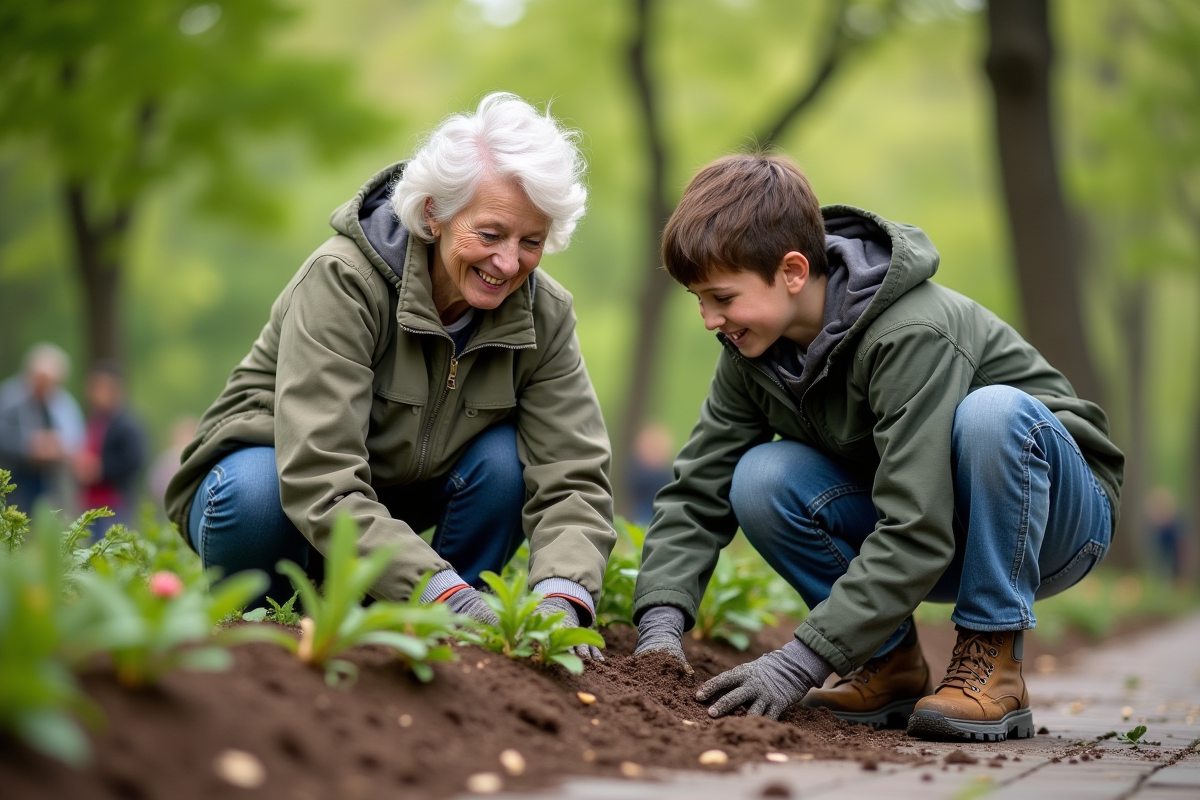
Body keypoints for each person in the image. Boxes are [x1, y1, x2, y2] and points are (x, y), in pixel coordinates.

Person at [631, 154, 1123, 741]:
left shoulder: (910, 332)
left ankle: (994, 660)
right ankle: (889, 663)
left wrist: (800, 662)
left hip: (1056, 519)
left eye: (722, 297)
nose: (710, 319)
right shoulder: (752, 352)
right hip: (941, 524)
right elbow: (698, 489)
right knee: (760, 477)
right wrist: (659, 627)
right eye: (699, 300)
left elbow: (916, 526)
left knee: (992, 414)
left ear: (791, 271)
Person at [165, 94, 614, 659]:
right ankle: (271, 631)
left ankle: (457, 641)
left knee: (505, 461)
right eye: (491, 235)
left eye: (531, 243)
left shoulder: (544, 315)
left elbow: (572, 475)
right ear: (433, 213)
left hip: (396, 503)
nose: (508, 264)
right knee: (254, 490)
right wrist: (436, 588)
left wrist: (560, 598)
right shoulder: (343, 281)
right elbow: (319, 474)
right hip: (285, 486)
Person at [0, 343, 85, 513]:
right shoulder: (9, 399)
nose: (46, 387)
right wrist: (29, 446)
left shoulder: (63, 403)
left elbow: (77, 437)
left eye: (52, 383)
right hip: (14, 477)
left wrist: (57, 447)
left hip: (50, 479)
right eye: (42, 380)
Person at [73, 361, 147, 527]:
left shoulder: (127, 423)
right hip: (90, 503)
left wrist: (101, 469)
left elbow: (135, 460)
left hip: (114, 504)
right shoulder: (95, 420)